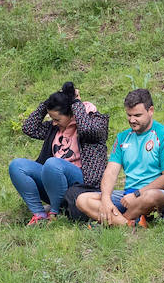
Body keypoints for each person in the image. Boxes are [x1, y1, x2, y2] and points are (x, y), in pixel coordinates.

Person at [69, 89, 164, 227]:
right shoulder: (122, 137)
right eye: (129, 115)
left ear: (150, 110)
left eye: (137, 115)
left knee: (151, 196)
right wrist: (106, 200)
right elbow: (110, 172)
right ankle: (129, 225)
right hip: (128, 196)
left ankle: (117, 222)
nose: (132, 120)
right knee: (82, 200)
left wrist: (138, 194)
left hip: (158, 197)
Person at [8, 83, 108, 224]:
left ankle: (54, 212)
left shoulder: (95, 123)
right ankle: (39, 214)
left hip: (83, 184)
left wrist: (76, 102)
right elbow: (28, 128)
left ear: (71, 114)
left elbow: (86, 130)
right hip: (54, 182)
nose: (53, 123)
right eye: (52, 119)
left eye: (57, 119)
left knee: (52, 163)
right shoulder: (54, 129)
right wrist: (49, 103)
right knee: (17, 165)